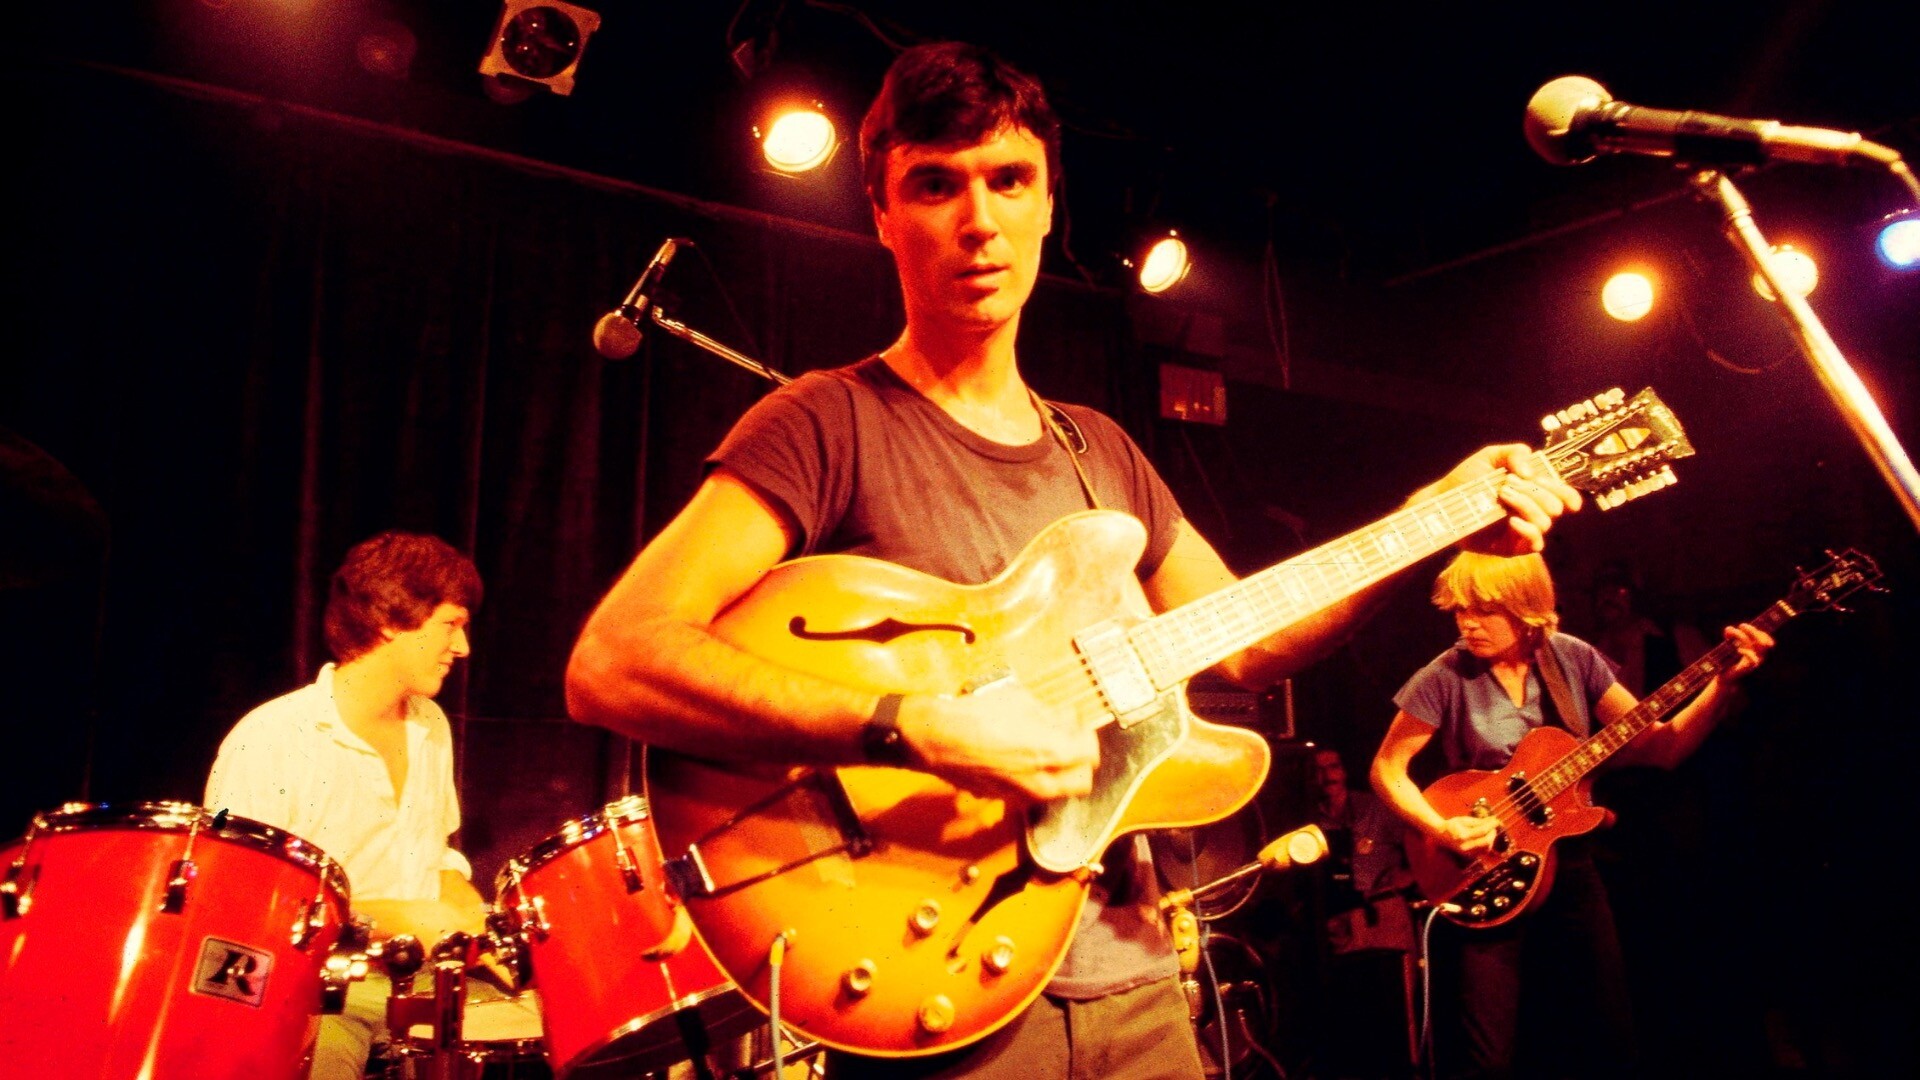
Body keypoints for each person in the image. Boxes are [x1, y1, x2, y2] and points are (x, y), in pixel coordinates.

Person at [565, 41, 1578, 1080]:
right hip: (937, 984)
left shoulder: (1101, 448)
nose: (979, 222)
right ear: (881, 215)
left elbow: (1256, 637)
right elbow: (617, 660)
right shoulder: (824, 422)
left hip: (1135, 981)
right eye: (935, 186)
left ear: (1049, 204)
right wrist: (914, 724)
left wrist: (1430, 520)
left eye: (1009, 182)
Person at [1368, 551, 1772, 1079]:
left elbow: (1663, 748)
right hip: (1485, 868)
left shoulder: (1571, 658)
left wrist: (1723, 686)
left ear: (1527, 608)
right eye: (1459, 609)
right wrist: (1440, 826)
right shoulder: (1445, 673)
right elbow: (1386, 770)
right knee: (1487, 1058)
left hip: (1570, 865)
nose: (1467, 622)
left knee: (1610, 1038)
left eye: (1483, 609)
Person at [205, 530, 491, 1080]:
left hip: (418, 980)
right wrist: (391, 917)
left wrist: (474, 918)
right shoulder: (272, 737)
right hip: (314, 986)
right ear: (391, 620)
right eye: (450, 626)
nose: (463, 648)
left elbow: (432, 857)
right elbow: (237, 907)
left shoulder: (430, 727)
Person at [1310, 746, 1417, 1079]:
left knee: (1396, 1006)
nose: (1328, 776)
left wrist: (1405, 879)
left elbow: (1418, 845)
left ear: (1345, 769)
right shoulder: (1311, 819)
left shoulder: (1375, 807)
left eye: (1334, 766)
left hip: (1384, 913)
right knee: (1353, 1010)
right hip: (1341, 919)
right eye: (1320, 769)